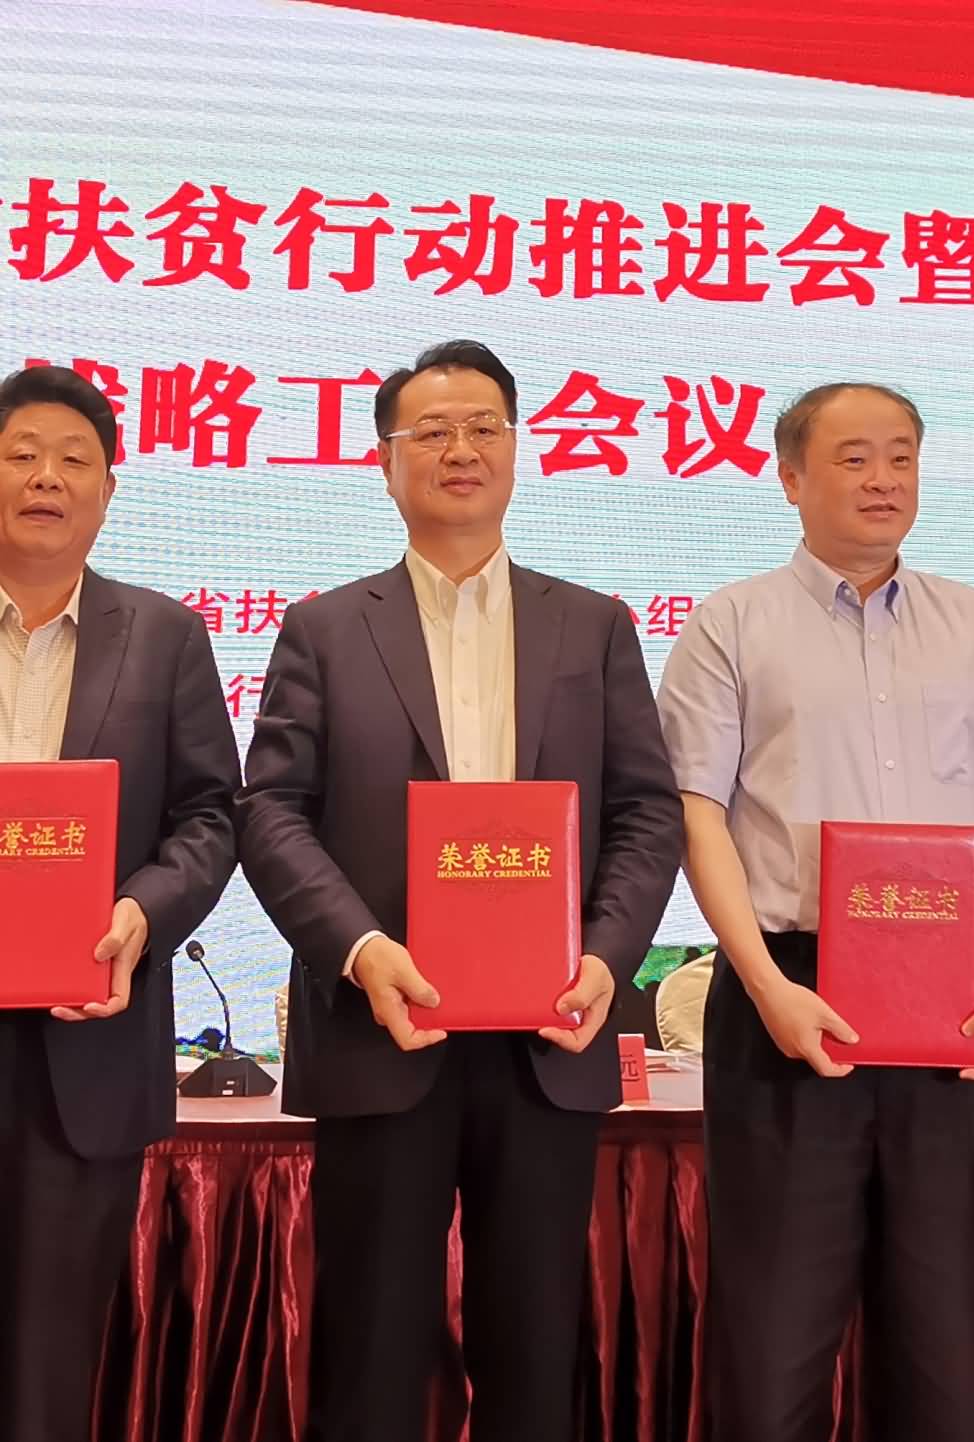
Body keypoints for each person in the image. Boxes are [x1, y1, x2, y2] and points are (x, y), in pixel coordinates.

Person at [237, 340, 684, 1442]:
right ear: (385, 462)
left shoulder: (592, 624)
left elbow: (646, 811)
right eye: (431, 431)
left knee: (534, 1353)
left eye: (484, 426)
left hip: (550, 1037)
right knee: (371, 1355)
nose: (461, 449)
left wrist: (605, 955)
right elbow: (271, 810)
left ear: (518, 449)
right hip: (381, 1028)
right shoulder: (326, 628)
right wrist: (360, 949)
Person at [659, 381, 974, 1442]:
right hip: (787, 997)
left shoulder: (972, 622)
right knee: (775, 1341)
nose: (883, 479)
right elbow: (694, 813)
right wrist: (765, 983)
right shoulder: (732, 622)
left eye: (902, 455)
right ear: (790, 477)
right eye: (854, 458)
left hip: (946, 1005)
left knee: (940, 1338)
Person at [0, 364, 239, 1442]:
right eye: (21, 454)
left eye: (73, 459)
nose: (45, 477)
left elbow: (210, 814)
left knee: (51, 1363)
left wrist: (142, 914)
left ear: (108, 489)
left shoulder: (165, 635)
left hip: (85, 1044)